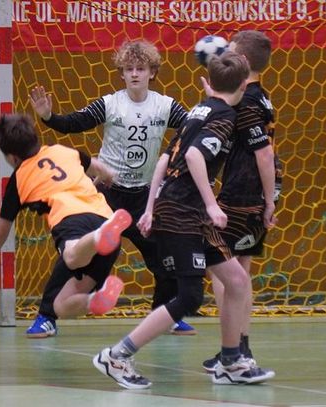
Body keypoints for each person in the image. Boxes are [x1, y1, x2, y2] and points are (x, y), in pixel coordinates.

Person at [92, 52, 274, 389]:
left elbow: (165, 158)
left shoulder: (200, 109)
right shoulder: (223, 117)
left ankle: (231, 362)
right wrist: (212, 204)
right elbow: (192, 155)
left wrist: (149, 208)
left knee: (236, 280)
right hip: (181, 213)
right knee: (189, 297)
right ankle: (116, 356)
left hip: (184, 210)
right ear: (244, 84)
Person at [27, 39, 195, 338]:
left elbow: (192, 130)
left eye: (140, 68)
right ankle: (46, 316)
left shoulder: (165, 106)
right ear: (121, 73)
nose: (134, 74)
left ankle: (165, 314)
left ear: (152, 72)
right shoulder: (110, 104)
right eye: (129, 69)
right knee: (76, 254)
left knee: (166, 256)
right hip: (105, 196)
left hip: (144, 197)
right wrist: (49, 117)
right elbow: (75, 123)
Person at [0, 113, 132, 323]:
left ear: (12, 158)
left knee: (72, 257)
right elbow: (104, 171)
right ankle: (96, 299)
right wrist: (102, 179)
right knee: (60, 305)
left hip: (71, 218)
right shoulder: (64, 151)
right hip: (104, 216)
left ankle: (99, 236)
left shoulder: (19, 178)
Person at [200, 30, 282, 373]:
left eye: (230, 52)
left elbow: (264, 154)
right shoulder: (259, 96)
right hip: (252, 193)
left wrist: (268, 201)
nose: (224, 56)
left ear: (244, 61)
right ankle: (240, 348)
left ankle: (232, 352)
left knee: (224, 272)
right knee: (240, 272)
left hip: (241, 193)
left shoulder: (246, 100)